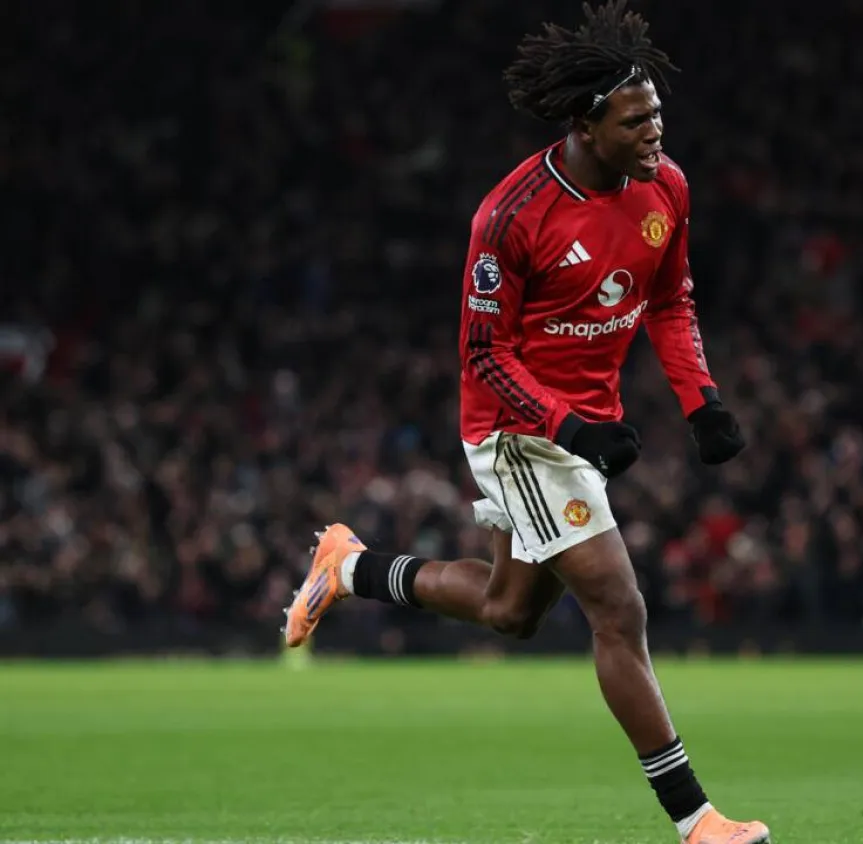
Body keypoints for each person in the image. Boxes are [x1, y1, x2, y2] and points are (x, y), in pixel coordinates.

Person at [281, 3, 768, 842]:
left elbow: (670, 300)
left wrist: (703, 402)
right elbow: (483, 354)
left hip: (582, 425)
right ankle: (697, 821)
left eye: (658, 115)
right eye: (637, 119)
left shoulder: (667, 187)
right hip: (518, 429)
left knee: (512, 610)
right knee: (619, 610)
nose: (657, 132)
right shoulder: (511, 216)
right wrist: (568, 431)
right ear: (585, 122)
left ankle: (353, 569)